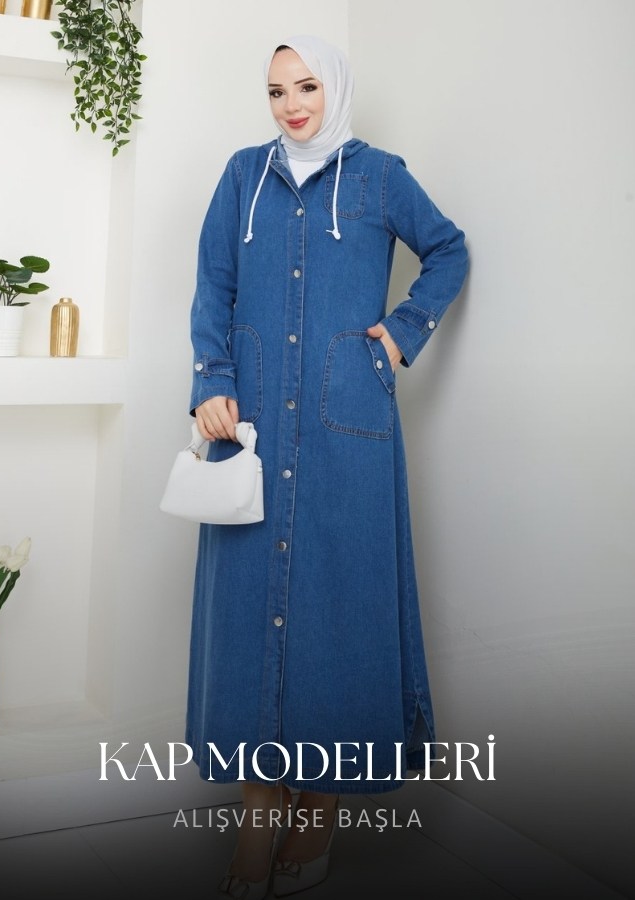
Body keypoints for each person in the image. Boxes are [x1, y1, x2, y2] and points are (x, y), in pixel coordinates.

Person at [186, 35, 468, 898]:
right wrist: (211, 381)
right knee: (251, 622)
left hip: (349, 428)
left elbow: (448, 250)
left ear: (333, 88)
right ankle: (255, 829)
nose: (291, 105)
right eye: (276, 91)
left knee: (339, 620)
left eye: (305, 86)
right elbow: (212, 287)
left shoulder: (380, 176)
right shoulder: (242, 176)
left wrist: (400, 335)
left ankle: (317, 817)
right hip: (251, 424)